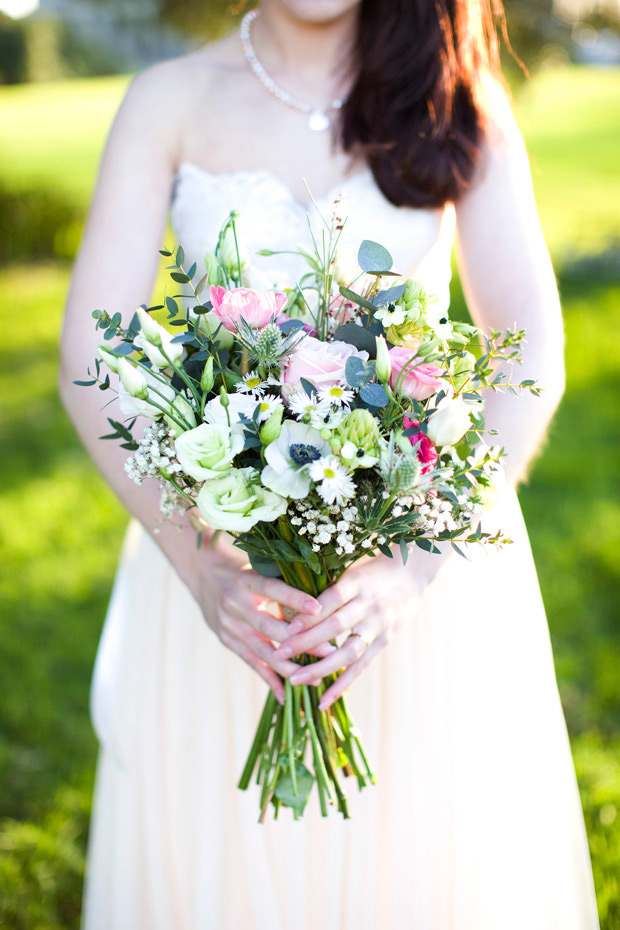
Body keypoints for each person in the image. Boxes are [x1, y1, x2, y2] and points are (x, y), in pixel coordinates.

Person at [59, 1, 600, 927]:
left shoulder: (456, 92)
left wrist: (413, 567)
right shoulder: (167, 100)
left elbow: (530, 354)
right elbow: (88, 357)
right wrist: (204, 568)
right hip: (224, 586)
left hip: (421, 581)